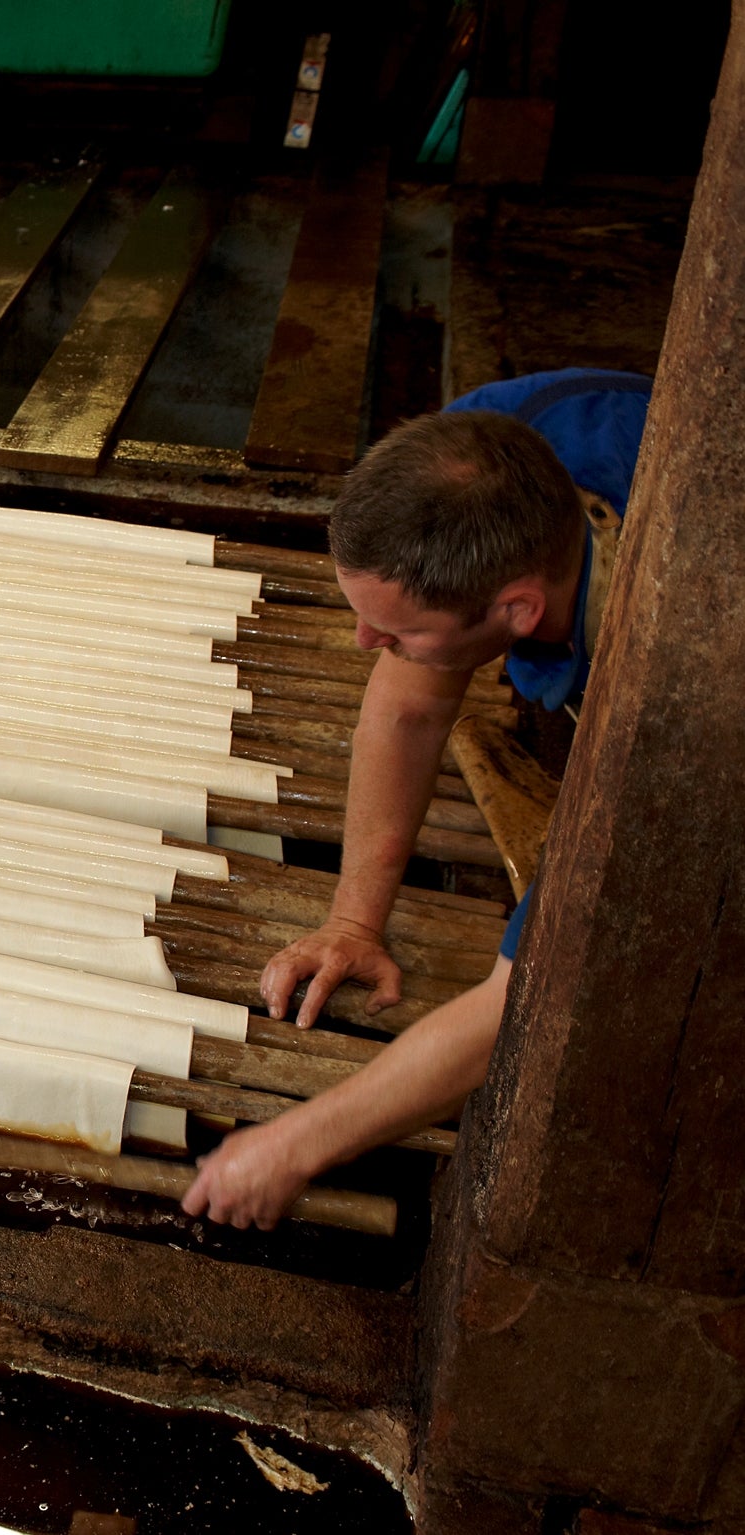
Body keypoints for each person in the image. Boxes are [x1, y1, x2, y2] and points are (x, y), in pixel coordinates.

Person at [182, 368, 652, 1229]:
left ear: (517, 610)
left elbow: (526, 992)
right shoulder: (489, 447)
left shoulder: (658, 701)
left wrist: (297, 1144)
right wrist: (354, 921)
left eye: (394, 630)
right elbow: (407, 699)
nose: (366, 644)